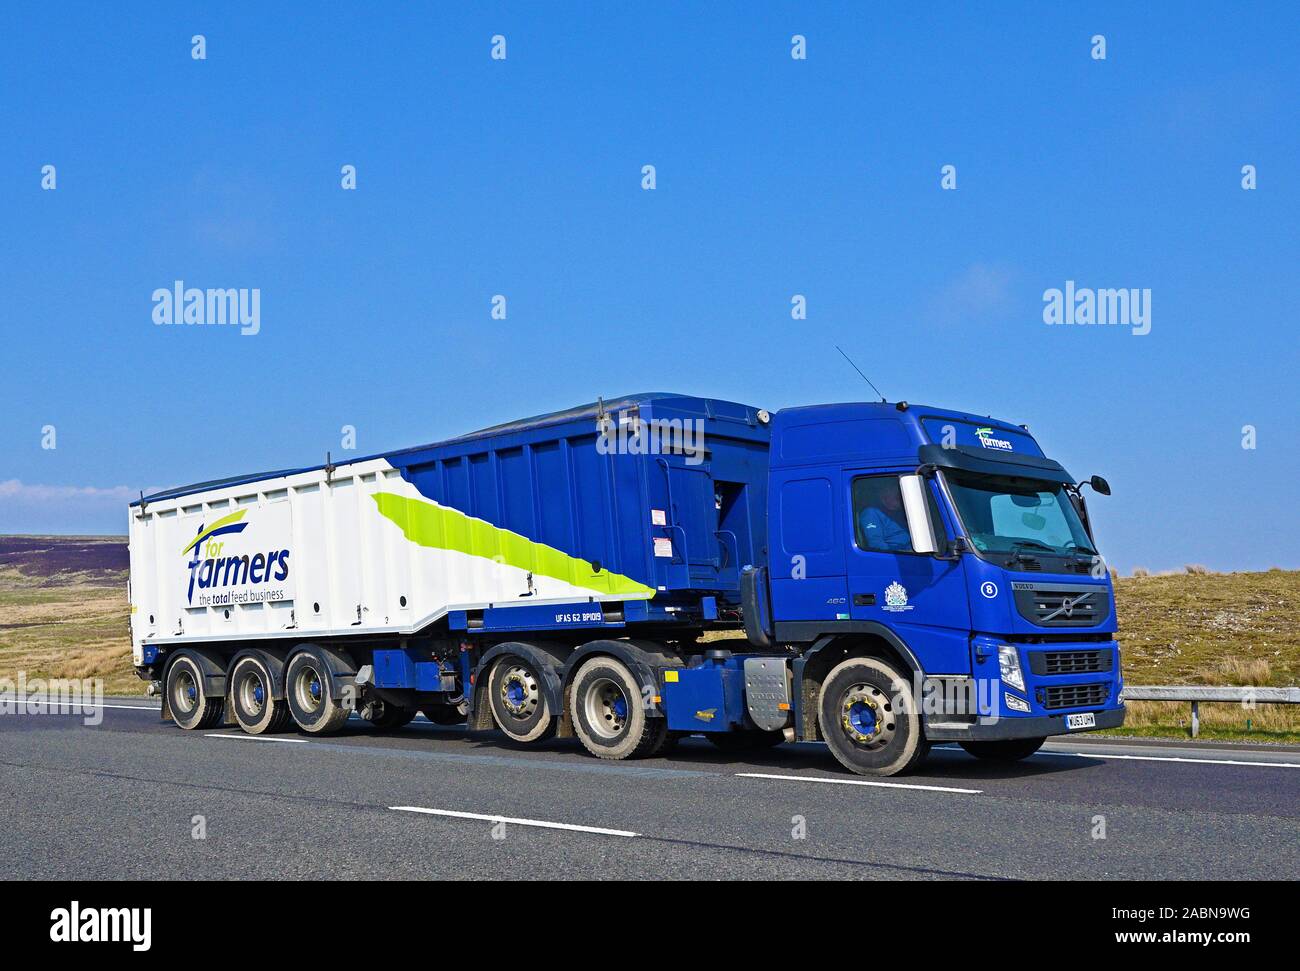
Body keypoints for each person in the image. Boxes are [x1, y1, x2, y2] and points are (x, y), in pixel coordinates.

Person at [858, 482, 912, 552]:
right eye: (898, 497)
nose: (902, 500)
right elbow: (876, 544)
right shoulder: (871, 513)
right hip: (899, 555)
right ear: (885, 493)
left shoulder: (901, 511)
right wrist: (904, 553)